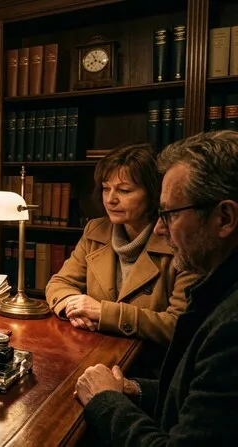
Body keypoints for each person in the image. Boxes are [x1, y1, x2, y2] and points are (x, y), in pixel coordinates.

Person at [75, 130, 238, 444]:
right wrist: (131, 388)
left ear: (225, 218)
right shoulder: (218, 288)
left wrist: (105, 400)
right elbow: (187, 395)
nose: (160, 228)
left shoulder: (230, 328)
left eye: (169, 215)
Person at [46, 143, 198, 347]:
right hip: (93, 348)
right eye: (106, 188)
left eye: (124, 190)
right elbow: (59, 283)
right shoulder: (96, 229)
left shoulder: (178, 240)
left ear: (154, 194)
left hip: (148, 365)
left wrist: (104, 313)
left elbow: (178, 325)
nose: (110, 199)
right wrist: (72, 306)